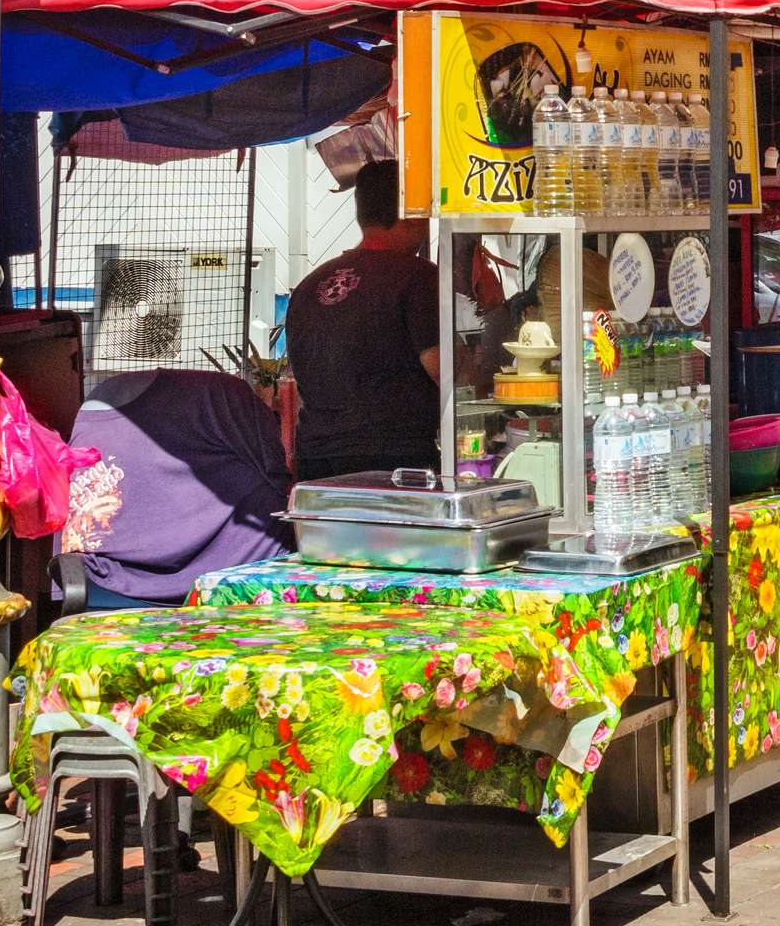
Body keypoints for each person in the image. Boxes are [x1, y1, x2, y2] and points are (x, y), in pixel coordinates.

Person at [285, 159, 495, 481]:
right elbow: (449, 372)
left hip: (315, 463)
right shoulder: (418, 278)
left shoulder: (309, 285)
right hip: (391, 463)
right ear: (410, 213)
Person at [69, 367, 294, 608]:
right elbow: (279, 476)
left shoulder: (102, 410)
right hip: (230, 590)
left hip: (105, 587)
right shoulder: (221, 398)